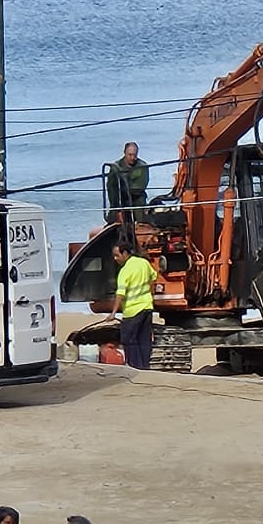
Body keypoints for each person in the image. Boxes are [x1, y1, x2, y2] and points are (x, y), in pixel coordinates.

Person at [111, 242, 157, 370]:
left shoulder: (125, 271)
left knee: (129, 340)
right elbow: (154, 277)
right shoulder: (143, 263)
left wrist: (113, 313)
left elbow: (120, 294)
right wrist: (151, 294)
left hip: (132, 311)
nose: (115, 259)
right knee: (144, 340)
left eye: (117, 255)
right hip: (147, 307)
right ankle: (145, 367)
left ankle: (135, 367)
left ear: (125, 253)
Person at [105, 142, 149, 223]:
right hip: (120, 201)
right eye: (130, 155)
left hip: (137, 201)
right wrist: (116, 207)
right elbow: (111, 188)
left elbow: (140, 188)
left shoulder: (142, 166)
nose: (132, 157)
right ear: (124, 153)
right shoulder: (116, 167)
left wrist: (124, 187)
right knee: (114, 218)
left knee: (141, 219)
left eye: (135, 155)